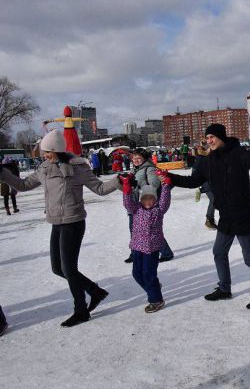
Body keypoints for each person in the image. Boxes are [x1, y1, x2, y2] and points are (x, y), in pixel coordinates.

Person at [0, 130, 120, 327]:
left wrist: (117, 181)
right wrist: (3, 174)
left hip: (73, 222)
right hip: (57, 222)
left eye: (47, 151)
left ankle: (81, 310)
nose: (44, 155)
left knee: (69, 269)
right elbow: (22, 185)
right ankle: (94, 290)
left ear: (57, 150)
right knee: (58, 268)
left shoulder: (77, 167)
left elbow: (99, 189)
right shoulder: (45, 168)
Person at [163, 123, 250, 309]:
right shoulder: (208, 161)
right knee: (219, 252)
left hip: (241, 213)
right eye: (207, 138)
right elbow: (193, 181)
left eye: (212, 137)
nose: (209, 141)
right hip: (225, 215)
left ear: (221, 137)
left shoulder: (237, 153)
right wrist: (170, 177)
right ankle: (224, 288)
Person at [120, 173, 171, 313]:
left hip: (152, 248)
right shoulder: (136, 209)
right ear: (141, 199)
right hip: (137, 247)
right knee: (137, 274)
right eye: (145, 198)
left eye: (151, 198)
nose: (148, 201)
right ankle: (153, 286)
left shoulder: (159, 210)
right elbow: (127, 202)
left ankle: (156, 300)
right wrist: (126, 186)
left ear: (155, 199)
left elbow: (165, 200)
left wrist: (166, 185)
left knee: (148, 274)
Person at [123, 148, 175, 263]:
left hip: (145, 205)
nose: (135, 160)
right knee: (134, 229)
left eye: (138, 158)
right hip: (136, 203)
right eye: (134, 158)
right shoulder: (135, 169)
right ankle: (135, 253)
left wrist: (136, 184)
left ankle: (166, 253)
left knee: (150, 230)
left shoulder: (149, 169)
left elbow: (154, 184)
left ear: (144, 158)